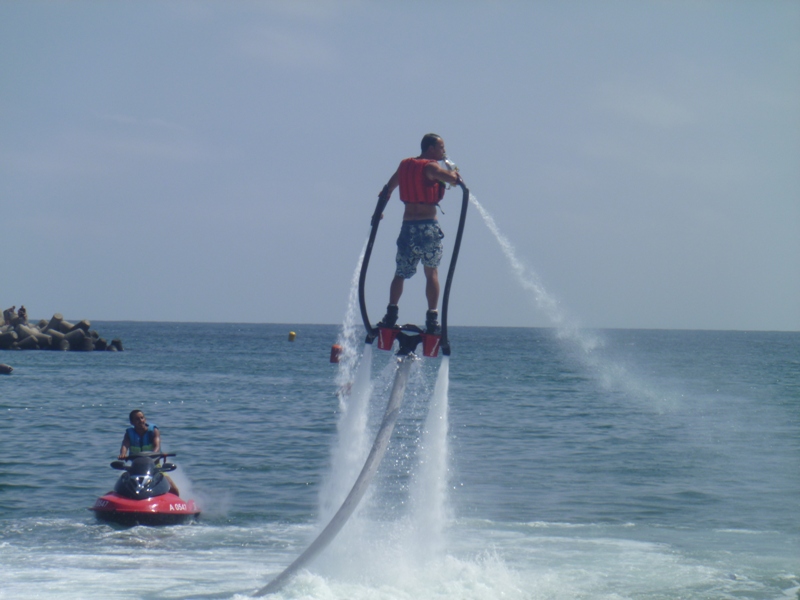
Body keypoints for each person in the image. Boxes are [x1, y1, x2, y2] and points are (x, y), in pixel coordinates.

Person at [376, 133, 462, 334]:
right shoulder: (431, 167)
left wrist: (378, 212)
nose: (443, 151)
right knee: (431, 273)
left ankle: (391, 313)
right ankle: (432, 318)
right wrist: (453, 169)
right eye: (441, 148)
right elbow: (453, 179)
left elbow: (388, 189)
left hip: (408, 228)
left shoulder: (405, 166)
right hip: (427, 228)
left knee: (400, 273)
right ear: (431, 148)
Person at [118, 409, 180, 496]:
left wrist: (153, 455)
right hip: (135, 469)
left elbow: (157, 446)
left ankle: (177, 502)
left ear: (145, 419)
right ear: (132, 422)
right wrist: (123, 454)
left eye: (142, 418)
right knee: (121, 487)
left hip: (154, 468)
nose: (141, 421)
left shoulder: (153, 431)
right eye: (137, 419)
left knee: (174, 489)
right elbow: (125, 444)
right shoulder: (129, 433)